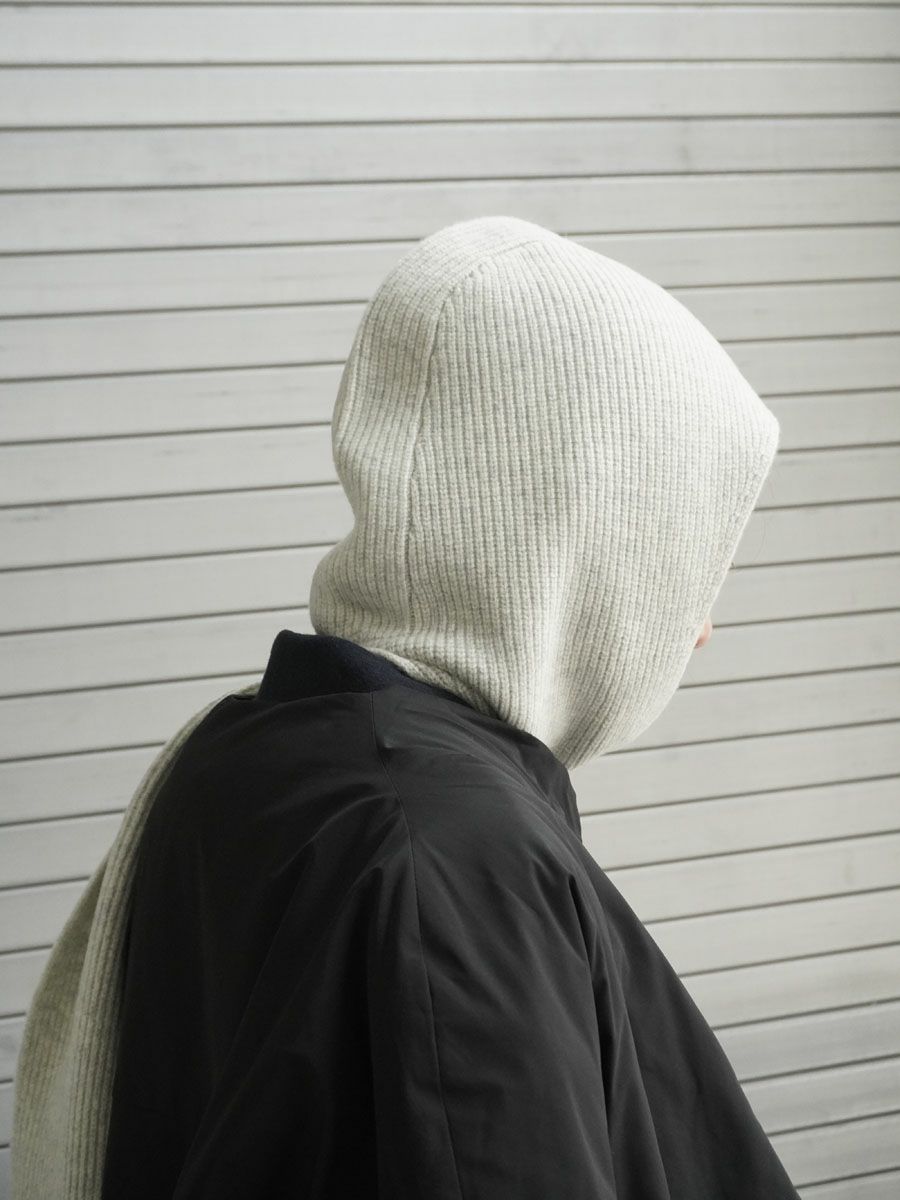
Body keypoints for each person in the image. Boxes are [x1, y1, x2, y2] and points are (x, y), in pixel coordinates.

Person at [11, 215, 800, 1199]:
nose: (702, 630)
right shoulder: (449, 857)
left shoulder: (244, 749)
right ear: (578, 546)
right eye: (688, 566)